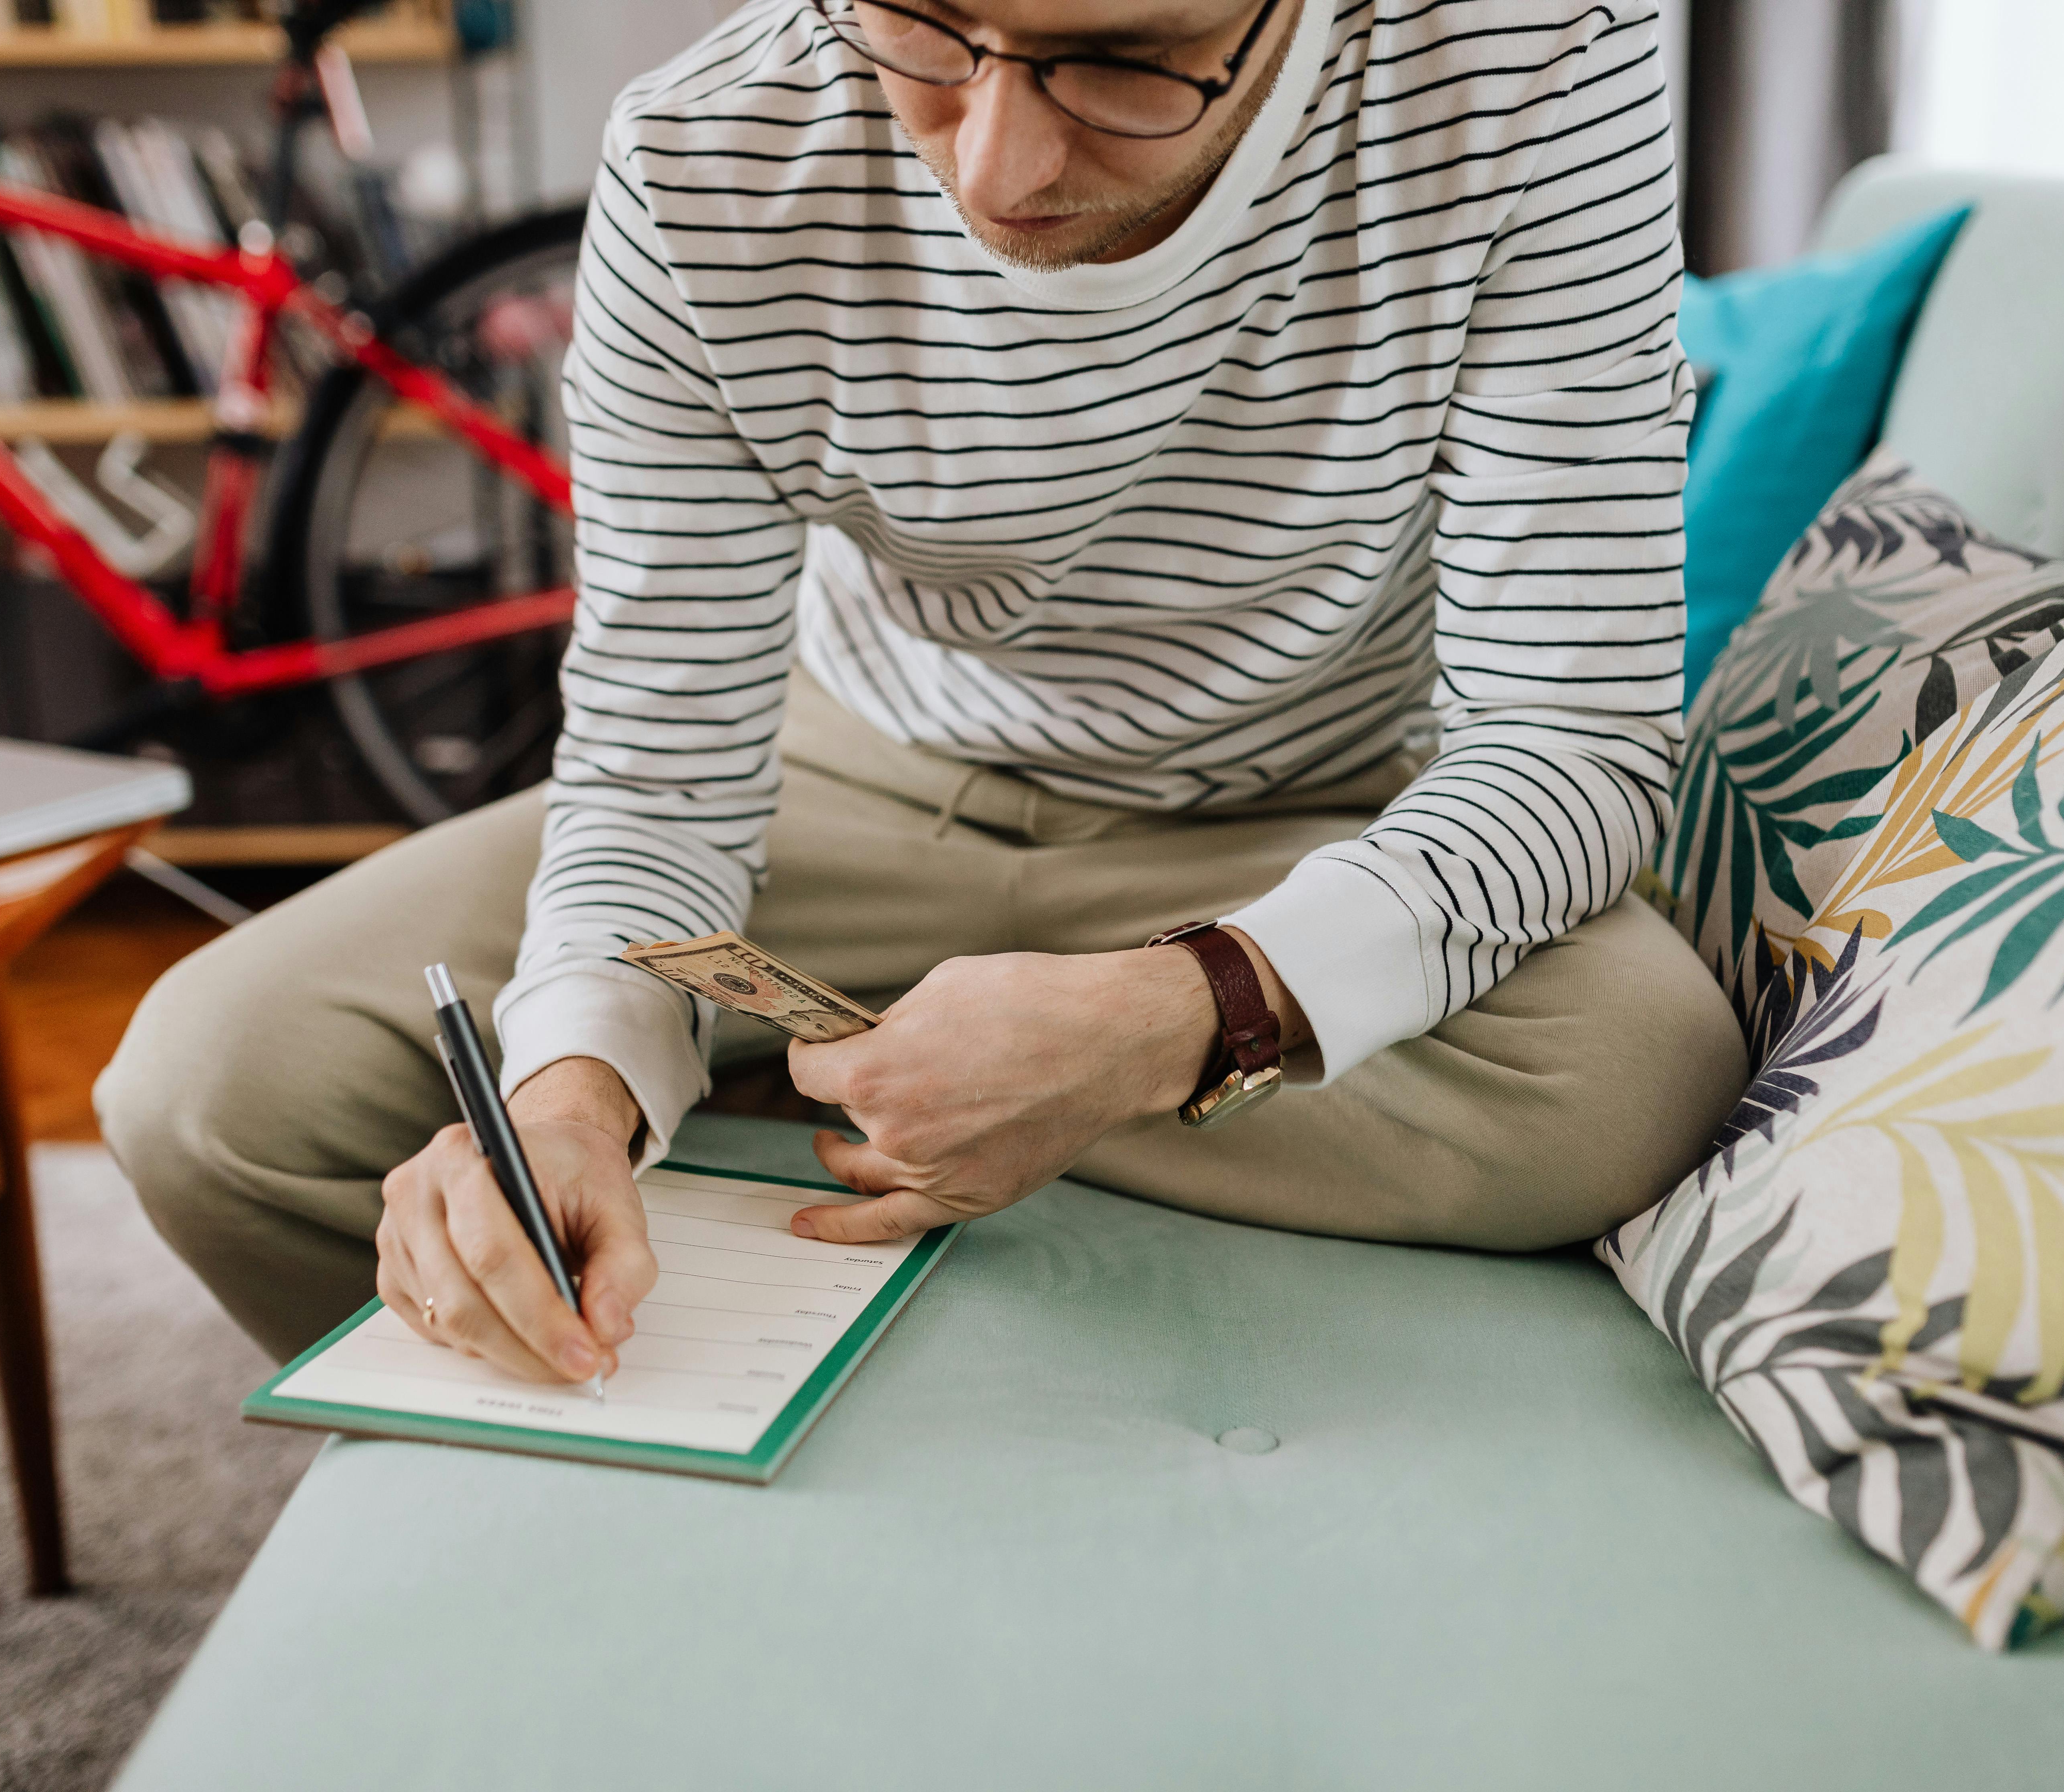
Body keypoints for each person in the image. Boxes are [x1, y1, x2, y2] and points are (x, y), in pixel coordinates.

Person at [99, 0, 1748, 1378]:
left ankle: (800, 1069)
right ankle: (781, 1084)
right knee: (208, 1091)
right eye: (926, 32)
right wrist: (576, 1085)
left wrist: (1179, 1016)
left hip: (1299, 817)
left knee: (1637, 1070)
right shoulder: (706, 152)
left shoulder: (1538, 70)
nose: (996, 163)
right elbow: (661, 773)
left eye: (1118, 59)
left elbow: (1569, 740)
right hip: (846, 784)